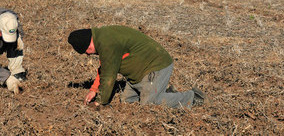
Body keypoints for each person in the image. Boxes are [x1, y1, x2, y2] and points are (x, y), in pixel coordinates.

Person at [68, 25, 208, 108]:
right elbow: (104, 67)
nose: (87, 55)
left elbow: (109, 76)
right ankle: (167, 94)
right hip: (140, 74)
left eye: (85, 51)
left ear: (88, 44)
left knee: (150, 104)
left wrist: (100, 102)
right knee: (128, 102)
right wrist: (93, 90)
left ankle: (192, 97)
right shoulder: (102, 38)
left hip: (156, 66)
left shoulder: (107, 43)